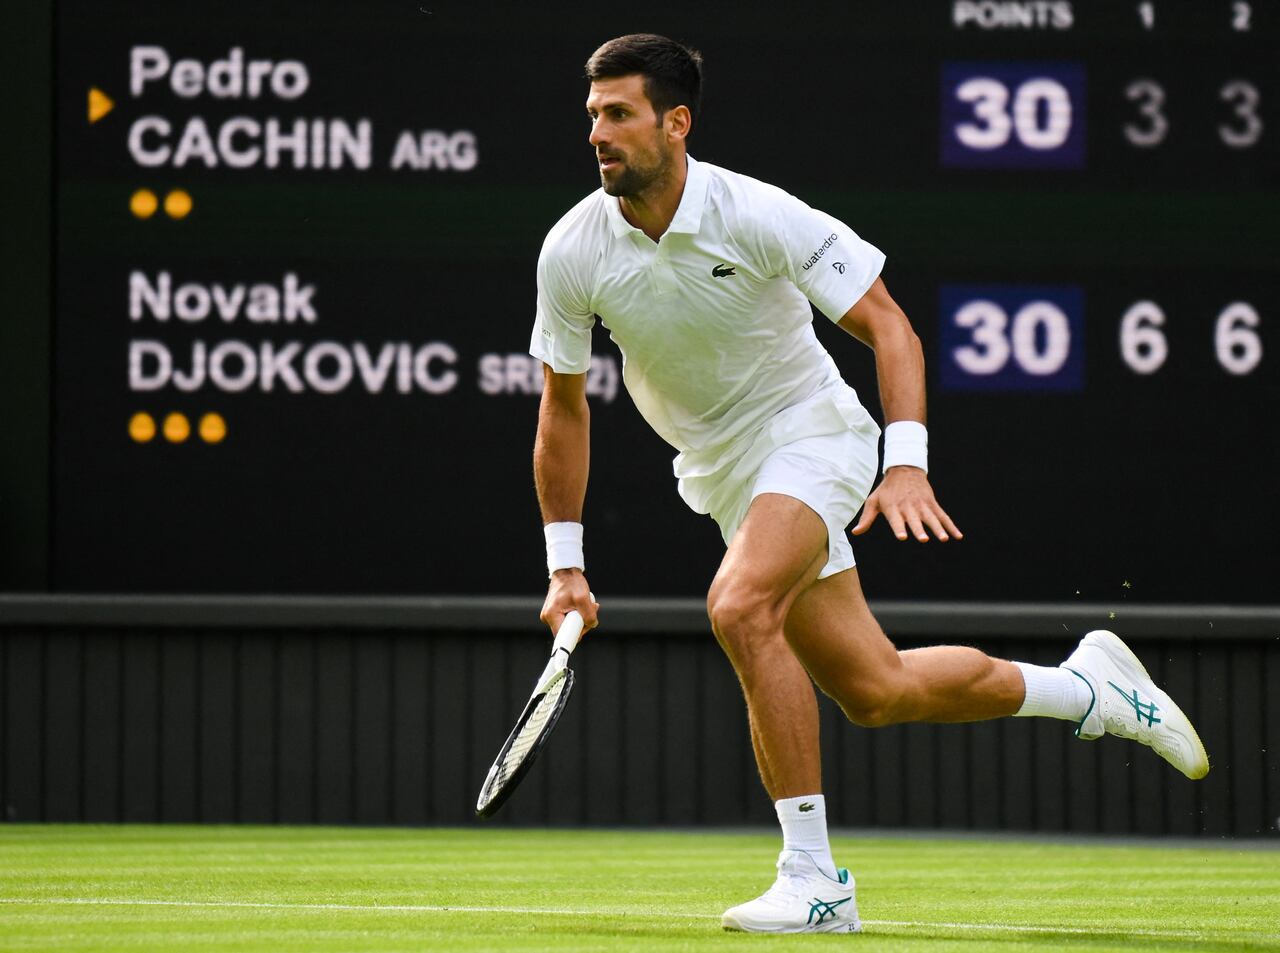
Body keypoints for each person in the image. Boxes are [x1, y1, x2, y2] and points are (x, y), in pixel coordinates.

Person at [529, 33, 1209, 934]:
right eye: (592, 117)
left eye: (618, 114)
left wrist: (906, 463)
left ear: (676, 122)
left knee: (738, 605)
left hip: (813, 433)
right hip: (727, 471)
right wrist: (564, 564)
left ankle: (814, 880)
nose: (598, 135)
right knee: (876, 688)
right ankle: (1089, 689)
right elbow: (563, 411)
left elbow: (892, 328)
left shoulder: (761, 213)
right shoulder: (572, 250)